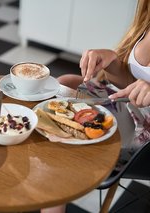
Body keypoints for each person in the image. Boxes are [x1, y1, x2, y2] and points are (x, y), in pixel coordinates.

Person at [42, 0, 150, 212]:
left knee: (64, 142)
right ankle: (41, 175)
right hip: (130, 107)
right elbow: (130, 84)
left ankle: (52, 179)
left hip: (145, 138)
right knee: (63, 85)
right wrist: (110, 61)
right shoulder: (146, 23)